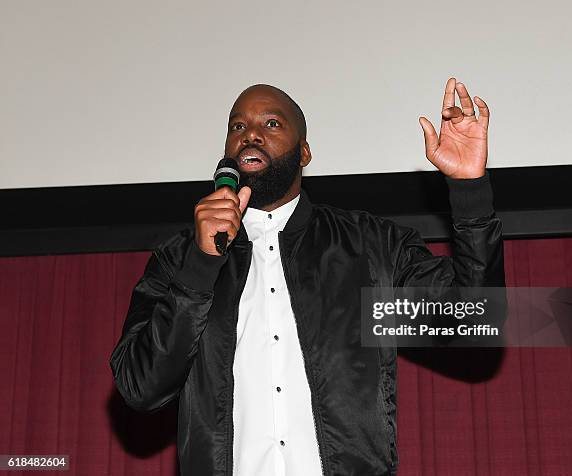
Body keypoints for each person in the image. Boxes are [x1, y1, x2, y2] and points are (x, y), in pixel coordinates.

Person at [110, 78, 505, 476]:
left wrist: (470, 190)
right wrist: (200, 266)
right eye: (237, 127)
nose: (250, 135)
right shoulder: (179, 258)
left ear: (304, 152)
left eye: (272, 124)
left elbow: (473, 319)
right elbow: (140, 388)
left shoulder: (368, 249)